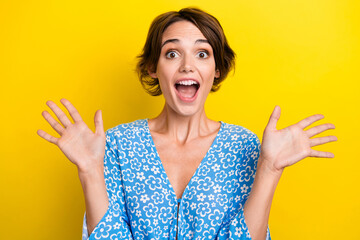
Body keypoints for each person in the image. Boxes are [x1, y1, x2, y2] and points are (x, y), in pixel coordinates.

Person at [37, 7, 337, 240]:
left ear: (216, 69)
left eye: (202, 53)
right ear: (154, 67)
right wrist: (89, 171)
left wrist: (270, 169)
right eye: (172, 53)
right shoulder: (115, 144)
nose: (187, 65)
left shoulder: (244, 146)